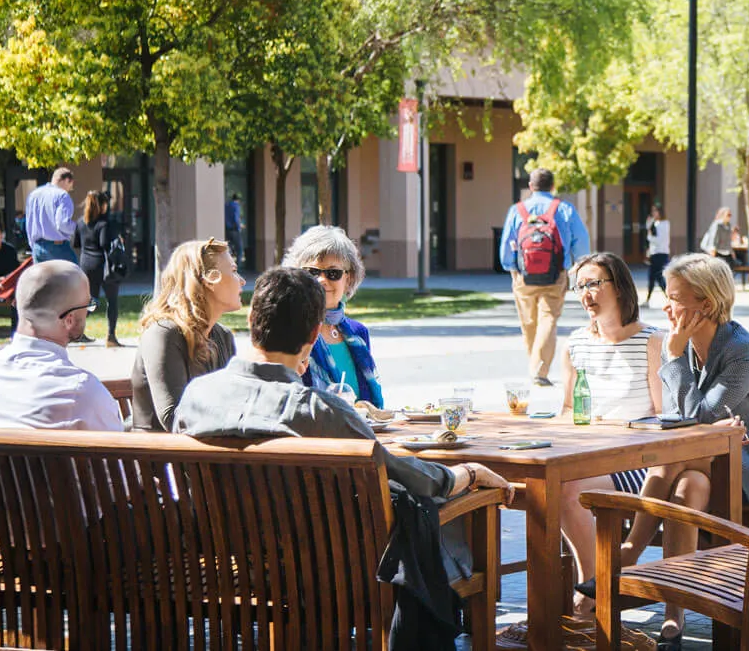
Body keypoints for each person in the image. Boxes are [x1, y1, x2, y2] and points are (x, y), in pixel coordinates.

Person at [174, 267, 505, 501]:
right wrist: (470, 472)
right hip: (318, 570)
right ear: (314, 334)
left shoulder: (197, 395)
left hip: (219, 563)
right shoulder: (319, 411)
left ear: (251, 321)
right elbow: (407, 477)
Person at [558, 254, 706, 641]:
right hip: (587, 456)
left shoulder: (651, 341)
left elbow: (663, 415)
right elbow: (567, 410)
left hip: (638, 460)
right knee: (559, 487)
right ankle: (596, 583)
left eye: (594, 284)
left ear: (620, 287)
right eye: (580, 286)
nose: (586, 294)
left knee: (571, 491)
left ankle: (589, 595)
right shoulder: (575, 343)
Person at [653, 253, 749, 647]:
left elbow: (696, 415)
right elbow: (681, 420)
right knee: (687, 487)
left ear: (707, 305)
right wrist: (677, 358)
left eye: (674, 298)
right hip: (707, 461)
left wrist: (674, 357)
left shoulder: (742, 350)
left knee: (677, 459)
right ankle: (673, 617)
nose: (666, 307)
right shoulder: (680, 344)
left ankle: (629, 550)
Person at [0, 260, 121, 430]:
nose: (88, 311)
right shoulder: (80, 391)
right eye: (89, 306)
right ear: (69, 320)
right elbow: (118, 445)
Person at [131, 238, 243, 431]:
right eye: (233, 271)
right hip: (160, 448)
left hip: (209, 445)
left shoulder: (223, 336)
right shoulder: (164, 333)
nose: (242, 280)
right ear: (210, 280)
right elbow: (173, 418)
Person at [499, 168, 590, 385]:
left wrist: (511, 268)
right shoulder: (564, 209)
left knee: (529, 322)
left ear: (530, 186)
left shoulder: (517, 210)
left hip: (523, 275)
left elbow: (506, 244)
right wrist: (579, 265)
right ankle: (539, 369)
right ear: (553, 186)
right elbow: (581, 240)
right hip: (555, 274)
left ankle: (536, 367)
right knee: (548, 318)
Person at [284, 225, 383, 405]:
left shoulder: (358, 333)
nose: (322, 280)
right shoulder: (289, 330)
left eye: (333, 273)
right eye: (312, 272)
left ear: (348, 279)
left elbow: (368, 405)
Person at [75, 190, 124, 347]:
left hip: (86, 264)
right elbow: (104, 243)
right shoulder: (104, 224)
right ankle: (111, 337)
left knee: (90, 300)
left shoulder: (80, 222)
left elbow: (76, 243)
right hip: (103, 266)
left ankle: (77, 331)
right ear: (102, 205)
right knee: (112, 300)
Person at [24, 167, 79, 263]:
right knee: (74, 271)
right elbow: (62, 224)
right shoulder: (63, 195)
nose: (70, 189)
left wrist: (33, 245)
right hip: (57, 246)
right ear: (67, 180)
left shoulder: (33, 195)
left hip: (37, 247)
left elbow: (29, 223)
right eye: (71, 186)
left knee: (42, 274)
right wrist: (78, 229)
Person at [644, 203, 670, 304]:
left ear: (660, 212)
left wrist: (649, 237)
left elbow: (658, 240)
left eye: (655, 211)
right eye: (652, 211)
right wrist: (649, 224)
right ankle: (649, 299)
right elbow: (650, 230)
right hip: (655, 253)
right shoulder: (657, 223)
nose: (653, 213)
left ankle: (668, 297)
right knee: (653, 276)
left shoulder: (663, 224)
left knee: (657, 276)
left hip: (660, 253)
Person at [224, 192, 245, 267]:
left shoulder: (226, 205)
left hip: (227, 230)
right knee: (239, 250)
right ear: (238, 200)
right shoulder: (236, 206)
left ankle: (228, 266)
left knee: (229, 249)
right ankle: (237, 268)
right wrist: (239, 226)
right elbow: (236, 218)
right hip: (235, 230)